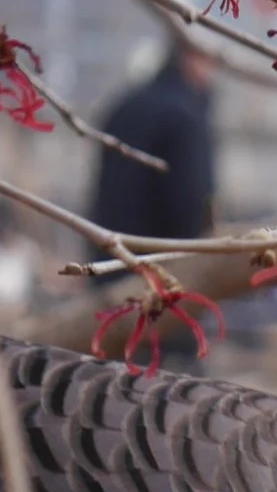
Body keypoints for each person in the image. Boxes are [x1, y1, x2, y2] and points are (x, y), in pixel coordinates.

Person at [89, 37, 218, 369]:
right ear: (191, 59)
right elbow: (190, 202)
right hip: (165, 280)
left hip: (112, 270)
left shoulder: (123, 106)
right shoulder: (185, 116)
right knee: (169, 389)